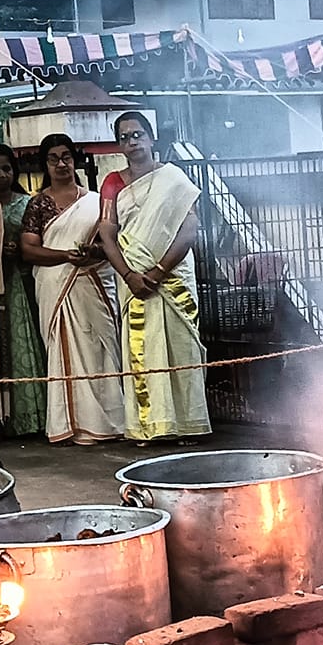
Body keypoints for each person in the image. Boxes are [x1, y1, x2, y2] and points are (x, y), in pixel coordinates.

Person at [97, 111, 209, 442]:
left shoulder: (174, 179)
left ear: (151, 137)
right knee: (142, 348)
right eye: (125, 137)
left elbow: (190, 227)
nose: (132, 142)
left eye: (137, 135)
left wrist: (158, 271)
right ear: (119, 145)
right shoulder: (113, 182)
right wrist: (130, 274)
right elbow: (107, 232)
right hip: (132, 277)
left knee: (180, 346)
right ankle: (149, 427)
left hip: (172, 274)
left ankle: (188, 424)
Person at [20, 133, 126, 445]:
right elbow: (28, 251)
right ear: (45, 164)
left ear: (74, 160)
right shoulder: (38, 205)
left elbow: (109, 245)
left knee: (103, 351)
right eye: (54, 158)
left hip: (94, 285)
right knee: (66, 354)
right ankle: (74, 426)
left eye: (66, 156)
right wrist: (66, 256)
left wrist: (89, 254)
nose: (61, 164)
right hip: (57, 288)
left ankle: (111, 423)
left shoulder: (95, 202)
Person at [0, 143, 44, 439]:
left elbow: (37, 242)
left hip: (19, 283)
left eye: (7, 168)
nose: (2, 175)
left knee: (21, 347)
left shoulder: (26, 204)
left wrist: (17, 250)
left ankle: (29, 418)